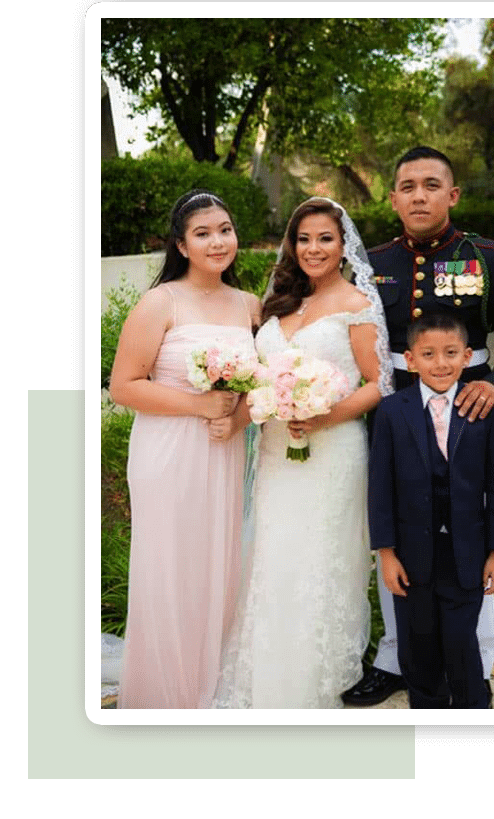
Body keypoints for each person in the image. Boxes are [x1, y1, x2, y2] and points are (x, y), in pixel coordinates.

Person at [343, 145, 494, 707]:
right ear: (393, 199)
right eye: (408, 187)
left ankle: (475, 662)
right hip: (395, 418)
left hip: (469, 417)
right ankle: (397, 659)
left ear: (452, 195)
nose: (419, 196)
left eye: (431, 185)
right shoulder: (371, 264)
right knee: (398, 535)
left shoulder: (487, 258)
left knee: (470, 534)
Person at [212, 197, 393, 708]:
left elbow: (380, 383)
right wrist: (239, 414)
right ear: (292, 245)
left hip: (333, 452)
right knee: (273, 557)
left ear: (343, 246)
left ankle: (314, 682)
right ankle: (263, 675)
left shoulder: (357, 303)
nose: (314, 249)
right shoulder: (278, 302)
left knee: (320, 561)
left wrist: (322, 415)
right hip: (276, 451)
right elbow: (258, 379)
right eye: (304, 239)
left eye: (325, 239)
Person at [110, 189, 260, 709]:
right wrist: (201, 406)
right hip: (169, 452)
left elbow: (263, 382)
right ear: (181, 245)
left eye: (225, 230)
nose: (217, 242)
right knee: (170, 566)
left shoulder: (250, 305)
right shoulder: (161, 302)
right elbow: (123, 386)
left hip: (225, 450)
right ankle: (163, 691)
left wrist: (235, 418)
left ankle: (208, 680)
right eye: (203, 233)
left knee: (219, 563)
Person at [368, 311, 494, 708]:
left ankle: (471, 711)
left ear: (467, 356)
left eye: (451, 353)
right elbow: (380, 488)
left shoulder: (484, 411)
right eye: (428, 354)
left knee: (460, 643)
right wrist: (386, 553)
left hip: (467, 553)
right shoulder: (391, 411)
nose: (440, 363)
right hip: (411, 555)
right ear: (410, 359)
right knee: (418, 645)